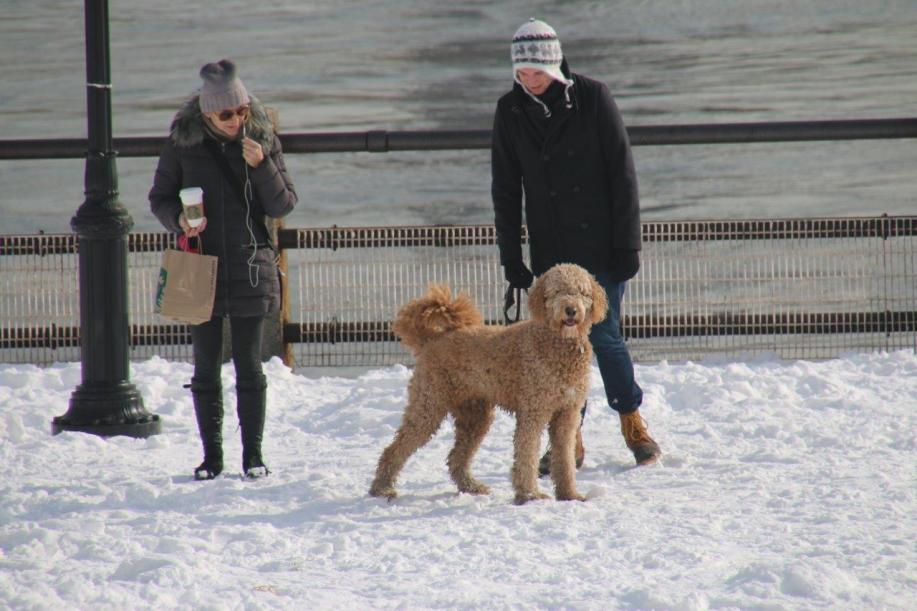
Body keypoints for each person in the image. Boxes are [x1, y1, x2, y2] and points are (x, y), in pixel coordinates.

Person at [491, 19, 661, 470]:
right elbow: (505, 189)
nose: (529, 81)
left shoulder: (592, 97)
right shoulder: (510, 111)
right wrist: (511, 256)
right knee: (559, 346)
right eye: (521, 73)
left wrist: (628, 245)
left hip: (602, 246)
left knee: (604, 337)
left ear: (553, 66)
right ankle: (570, 439)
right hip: (552, 254)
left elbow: (622, 175)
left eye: (536, 72)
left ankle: (632, 420)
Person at [150, 59, 297, 480]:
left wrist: (262, 165)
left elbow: (283, 204)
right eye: (227, 114)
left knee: (250, 365)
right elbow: (160, 198)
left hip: (251, 265)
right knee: (205, 366)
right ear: (208, 113)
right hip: (201, 266)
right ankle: (211, 457)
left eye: (243, 110)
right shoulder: (183, 146)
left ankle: (253, 456)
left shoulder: (261, 140)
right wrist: (179, 219)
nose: (237, 120)